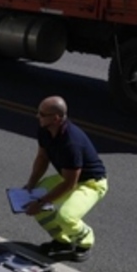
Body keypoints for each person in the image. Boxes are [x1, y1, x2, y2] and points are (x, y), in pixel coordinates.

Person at [23, 96, 108, 262]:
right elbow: (42, 158)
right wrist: (31, 184)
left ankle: (85, 241)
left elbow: (70, 184)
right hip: (68, 177)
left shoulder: (71, 143)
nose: (37, 116)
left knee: (66, 216)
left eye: (41, 113)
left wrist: (41, 202)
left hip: (91, 183)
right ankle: (63, 242)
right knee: (38, 203)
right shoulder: (45, 130)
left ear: (55, 118)